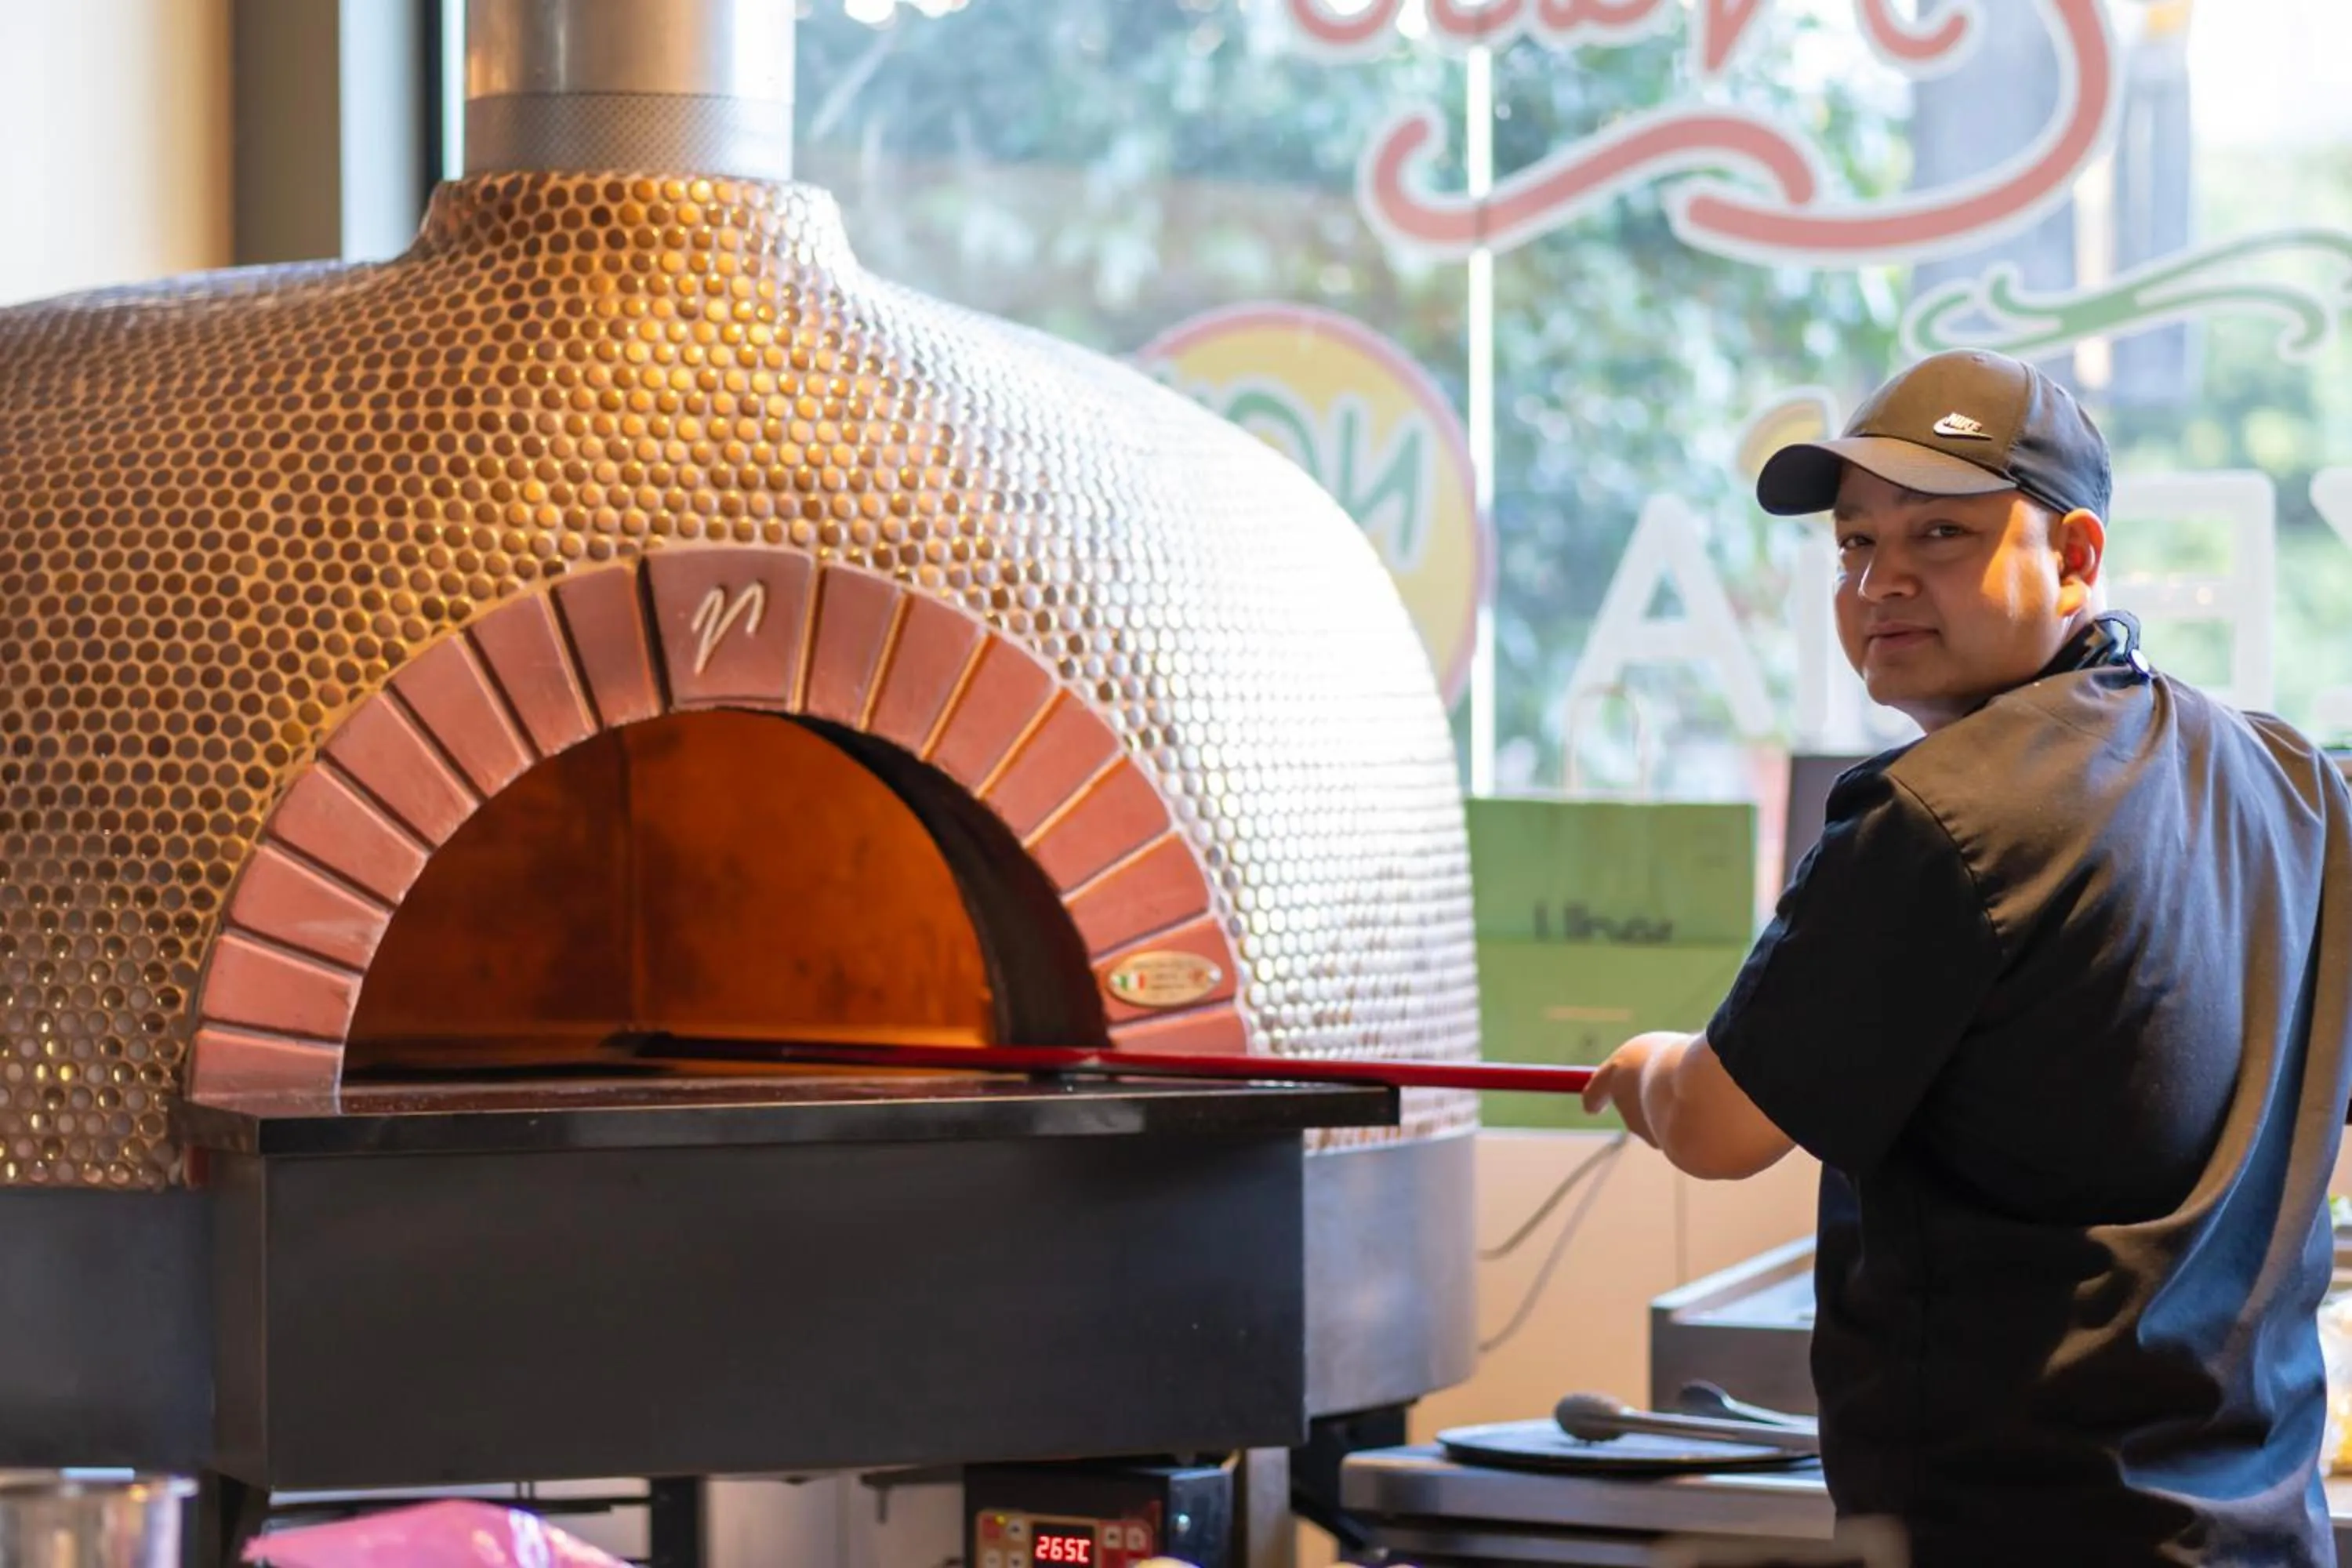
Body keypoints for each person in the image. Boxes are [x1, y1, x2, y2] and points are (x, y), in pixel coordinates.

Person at [1582, 349, 2352, 1566]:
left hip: (2028, 1529)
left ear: (2078, 556)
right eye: (1853, 544)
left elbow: (1721, 1129)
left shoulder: (1940, 817)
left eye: (1940, 534)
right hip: (2263, 1531)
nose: (1881, 581)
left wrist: (1648, 1069)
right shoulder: (2294, 780)